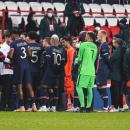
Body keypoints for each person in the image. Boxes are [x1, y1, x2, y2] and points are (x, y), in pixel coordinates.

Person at [8, 30, 37, 112]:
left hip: (18, 66)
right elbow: (30, 54)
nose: (11, 37)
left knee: (19, 86)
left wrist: (8, 55)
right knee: (29, 85)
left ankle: (22, 106)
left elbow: (11, 55)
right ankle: (34, 106)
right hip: (26, 66)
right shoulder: (25, 42)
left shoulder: (13, 43)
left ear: (14, 35)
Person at [39, 35, 65, 112]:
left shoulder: (49, 48)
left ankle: (44, 106)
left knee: (44, 87)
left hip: (49, 71)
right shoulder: (62, 50)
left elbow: (47, 61)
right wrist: (58, 70)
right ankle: (53, 107)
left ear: (51, 41)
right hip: (57, 73)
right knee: (54, 89)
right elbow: (63, 62)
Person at [76, 32, 97, 112]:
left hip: (84, 70)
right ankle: (89, 107)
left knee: (78, 87)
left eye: (86, 35)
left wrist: (77, 63)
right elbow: (94, 60)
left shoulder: (83, 44)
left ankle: (82, 106)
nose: (85, 36)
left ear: (89, 37)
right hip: (92, 70)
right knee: (89, 88)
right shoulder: (95, 46)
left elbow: (80, 59)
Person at [26, 31, 44, 111]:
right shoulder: (40, 46)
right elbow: (43, 59)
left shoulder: (27, 46)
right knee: (37, 88)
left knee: (29, 88)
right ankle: (38, 105)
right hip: (38, 70)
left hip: (29, 70)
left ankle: (30, 106)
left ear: (29, 37)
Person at [0, 31, 15, 111]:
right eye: (8, 37)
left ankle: (9, 105)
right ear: (5, 38)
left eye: (10, 37)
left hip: (9, 70)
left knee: (9, 89)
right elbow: (3, 58)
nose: (9, 39)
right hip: (5, 70)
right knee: (6, 89)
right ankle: (3, 106)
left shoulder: (10, 46)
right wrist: (11, 61)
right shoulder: (4, 47)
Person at [96, 30, 110, 112]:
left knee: (102, 87)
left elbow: (107, 59)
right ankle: (106, 106)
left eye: (98, 35)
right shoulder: (102, 45)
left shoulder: (104, 45)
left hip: (103, 69)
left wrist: (108, 68)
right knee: (99, 87)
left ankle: (106, 107)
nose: (97, 36)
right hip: (100, 69)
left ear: (102, 36)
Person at [109, 39, 125, 112]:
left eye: (114, 42)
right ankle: (121, 107)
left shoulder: (116, 52)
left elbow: (110, 60)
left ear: (117, 44)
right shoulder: (124, 50)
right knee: (120, 92)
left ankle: (115, 107)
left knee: (116, 92)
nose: (113, 43)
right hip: (122, 74)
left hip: (116, 74)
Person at [62, 37, 75, 111]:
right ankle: (69, 105)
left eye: (64, 42)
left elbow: (71, 62)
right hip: (65, 73)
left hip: (69, 74)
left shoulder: (71, 50)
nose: (63, 44)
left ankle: (73, 105)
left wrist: (69, 73)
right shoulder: (66, 50)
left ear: (67, 42)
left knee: (71, 90)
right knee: (67, 90)